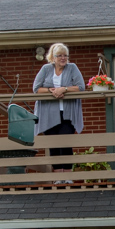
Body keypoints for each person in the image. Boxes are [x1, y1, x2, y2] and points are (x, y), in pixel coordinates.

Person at [32, 43, 86, 175]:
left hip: (67, 113)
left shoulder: (72, 68)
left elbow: (81, 87)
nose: (63, 58)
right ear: (53, 57)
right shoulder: (46, 69)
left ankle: (67, 176)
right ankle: (58, 177)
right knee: (53, 145)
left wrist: (64, 89)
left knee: (65, 143)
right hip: (48, 113)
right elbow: (36, 89)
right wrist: (51, 91)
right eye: (59, 55)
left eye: (65, 55)